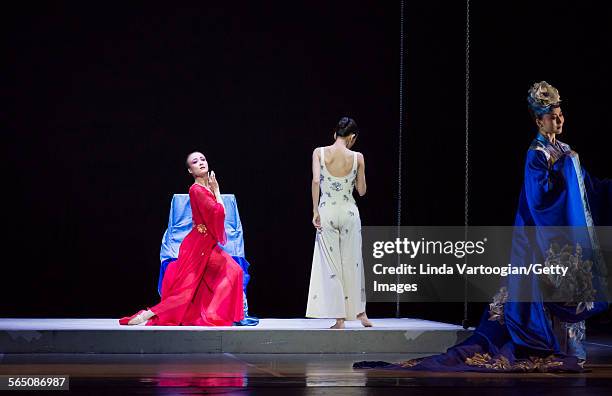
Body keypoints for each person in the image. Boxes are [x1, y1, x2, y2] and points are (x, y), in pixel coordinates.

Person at [355, 81, 610, 372]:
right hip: (536, 236)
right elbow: (539, 199)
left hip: (557, 236)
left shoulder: (564, 149)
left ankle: (569, 349)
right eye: (553, 116)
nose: (560, 119)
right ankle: (545, 346)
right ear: (539, 120)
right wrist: (566, 167)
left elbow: (588, 188)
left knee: (566, 288)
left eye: (561, 114)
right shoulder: (536, 154)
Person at [119, 152, 244, 326]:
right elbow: (219, 213)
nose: (200, 163)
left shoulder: (205, 189)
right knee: (185, 291)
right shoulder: (196, 190)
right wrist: (217, 191)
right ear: (189, 170)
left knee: (234, 272)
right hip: (198, 247)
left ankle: (213, 312)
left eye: (203, 159)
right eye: (195, 162)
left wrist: (214, 191)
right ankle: (148, 314)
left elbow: (215, 218)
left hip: (207, 245)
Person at [306, 116, 372, 329]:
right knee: (352, 262)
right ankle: (361, 313)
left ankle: (340, 319)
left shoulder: (319, 152)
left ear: (335, 133)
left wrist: (315, 210)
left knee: (332, 265)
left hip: (327, 211)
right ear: (352, 137)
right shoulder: (358, 157)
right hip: (349, 212)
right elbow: (361, 191)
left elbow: (316, 180)